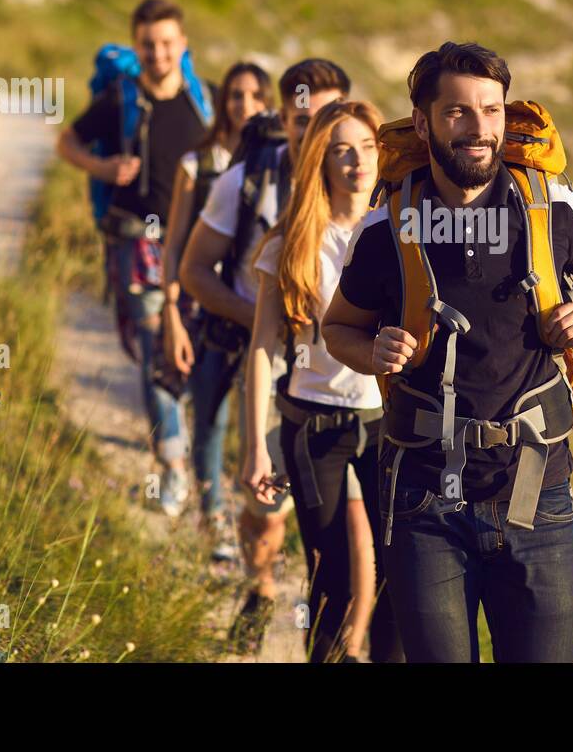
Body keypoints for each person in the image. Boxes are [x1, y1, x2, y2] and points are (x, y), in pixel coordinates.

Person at [323, 41, 573, 662]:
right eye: (458, 113)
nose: (479, 129)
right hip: (424, 501)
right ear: (423, 122)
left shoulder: (549, 206)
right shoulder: (388, 225)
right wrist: (374, 351)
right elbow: (339, 328)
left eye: (492, 111)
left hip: (538, 491)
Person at [180, 58, 358, 654]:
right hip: (267, 365)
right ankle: (259, 587)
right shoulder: (246, 181)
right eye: (301, 120)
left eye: (327, 122)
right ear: (282, 119)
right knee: (266, 504)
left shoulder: (367, 187)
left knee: (345, 531)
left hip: (341, 389)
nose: (313, 135)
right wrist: (267, 318)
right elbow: (193, 271)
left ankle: (345, 639)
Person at [244, 99, 403, 663]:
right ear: (321, 160)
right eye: (341, 150)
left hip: (390, 422)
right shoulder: (293, 241)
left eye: (366, 146)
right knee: (332, 574)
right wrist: (254, 451)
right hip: (315, 424)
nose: (358, 161)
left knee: (399, 570)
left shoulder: (402, 230)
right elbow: (262, 348)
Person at [56, 0, 213, 513]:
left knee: (187, 348)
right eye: (148, 44)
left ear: (182, 45)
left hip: (195, 245)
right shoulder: (119, 99)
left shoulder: (203, 102)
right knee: (153, 350)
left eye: (167, 43)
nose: (158, 53)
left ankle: (181, 438)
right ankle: (173, 466)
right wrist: (103, 170)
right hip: (135, 240)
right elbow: (67, 143)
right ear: (137, 46)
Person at [159, 62, 273, 556]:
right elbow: (176, 242)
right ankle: (214, 519)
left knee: (263, 427)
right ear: (222, 102)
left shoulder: (283, 165)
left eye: (253, 96)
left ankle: (260, 525)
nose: (243, 105)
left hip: (266, 318)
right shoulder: (199, 164)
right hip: (208, 310)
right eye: (234, 96)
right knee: (209, 416)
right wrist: (170, 313)